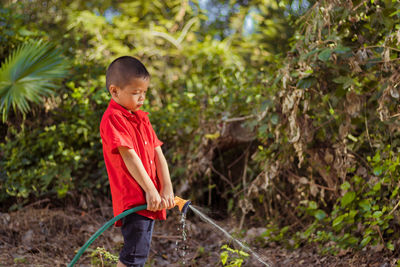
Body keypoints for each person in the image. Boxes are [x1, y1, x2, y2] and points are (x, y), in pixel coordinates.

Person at [100, 56, 174, 267]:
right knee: (134, 256)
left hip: (149, 197)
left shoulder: (142, 117)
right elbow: (129, 156)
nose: (141, 98)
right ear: (114, 91)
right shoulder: (114, 118)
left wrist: (166, 187)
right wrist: (151, 190)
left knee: (138, 252)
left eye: (144, 92)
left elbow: (158, 153)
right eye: (135, 93)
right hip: (135, 197)